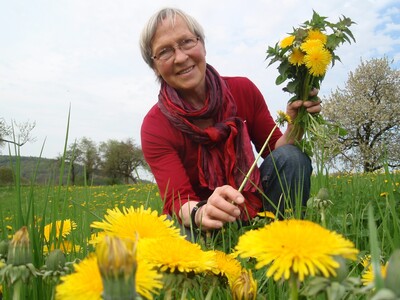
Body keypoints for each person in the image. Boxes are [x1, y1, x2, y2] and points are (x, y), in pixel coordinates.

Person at [139, 7, 321, 238]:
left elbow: (277, 154)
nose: (181, 57)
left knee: (292, 157)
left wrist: (296, 124)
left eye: (186, 42)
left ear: (202, 45)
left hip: (255, 205)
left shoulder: (243, 90)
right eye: (164, 52)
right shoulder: (155, 125)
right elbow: (178, 199)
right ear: (154, 66)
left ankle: (283, 245)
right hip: (202, 220)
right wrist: (201, 212)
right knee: (172, 229)